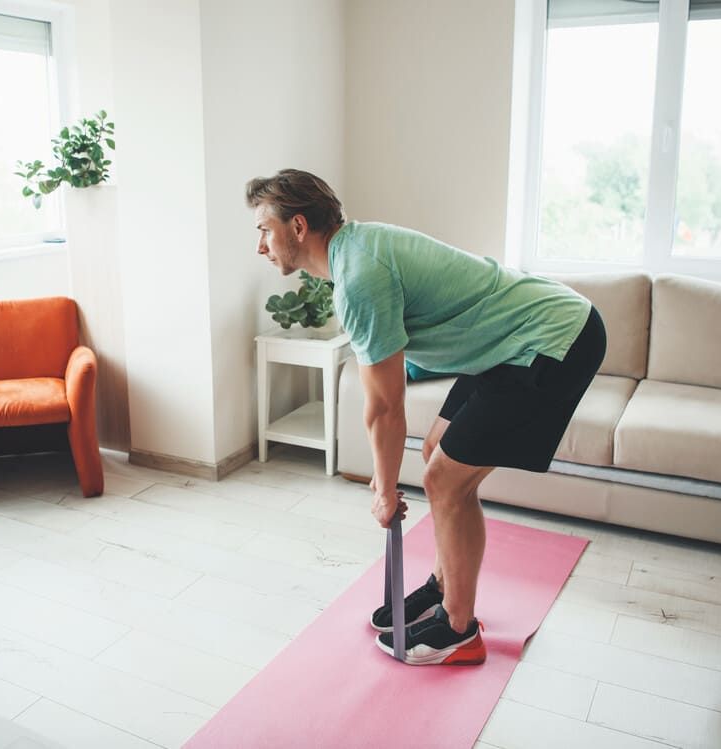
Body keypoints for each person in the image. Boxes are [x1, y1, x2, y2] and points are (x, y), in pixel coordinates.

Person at [247, 169, 607, 666]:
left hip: (551, 338)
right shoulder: (356, 251)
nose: (261, 246)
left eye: (265, 230)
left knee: (443, 481)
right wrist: (387, 481)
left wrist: (384, 489)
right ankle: (444, 587)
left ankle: (459, 629)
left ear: (299, 226)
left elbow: (385, 408)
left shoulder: (358, 277)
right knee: (438, 454)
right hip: (505, 344)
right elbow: (399, 362)